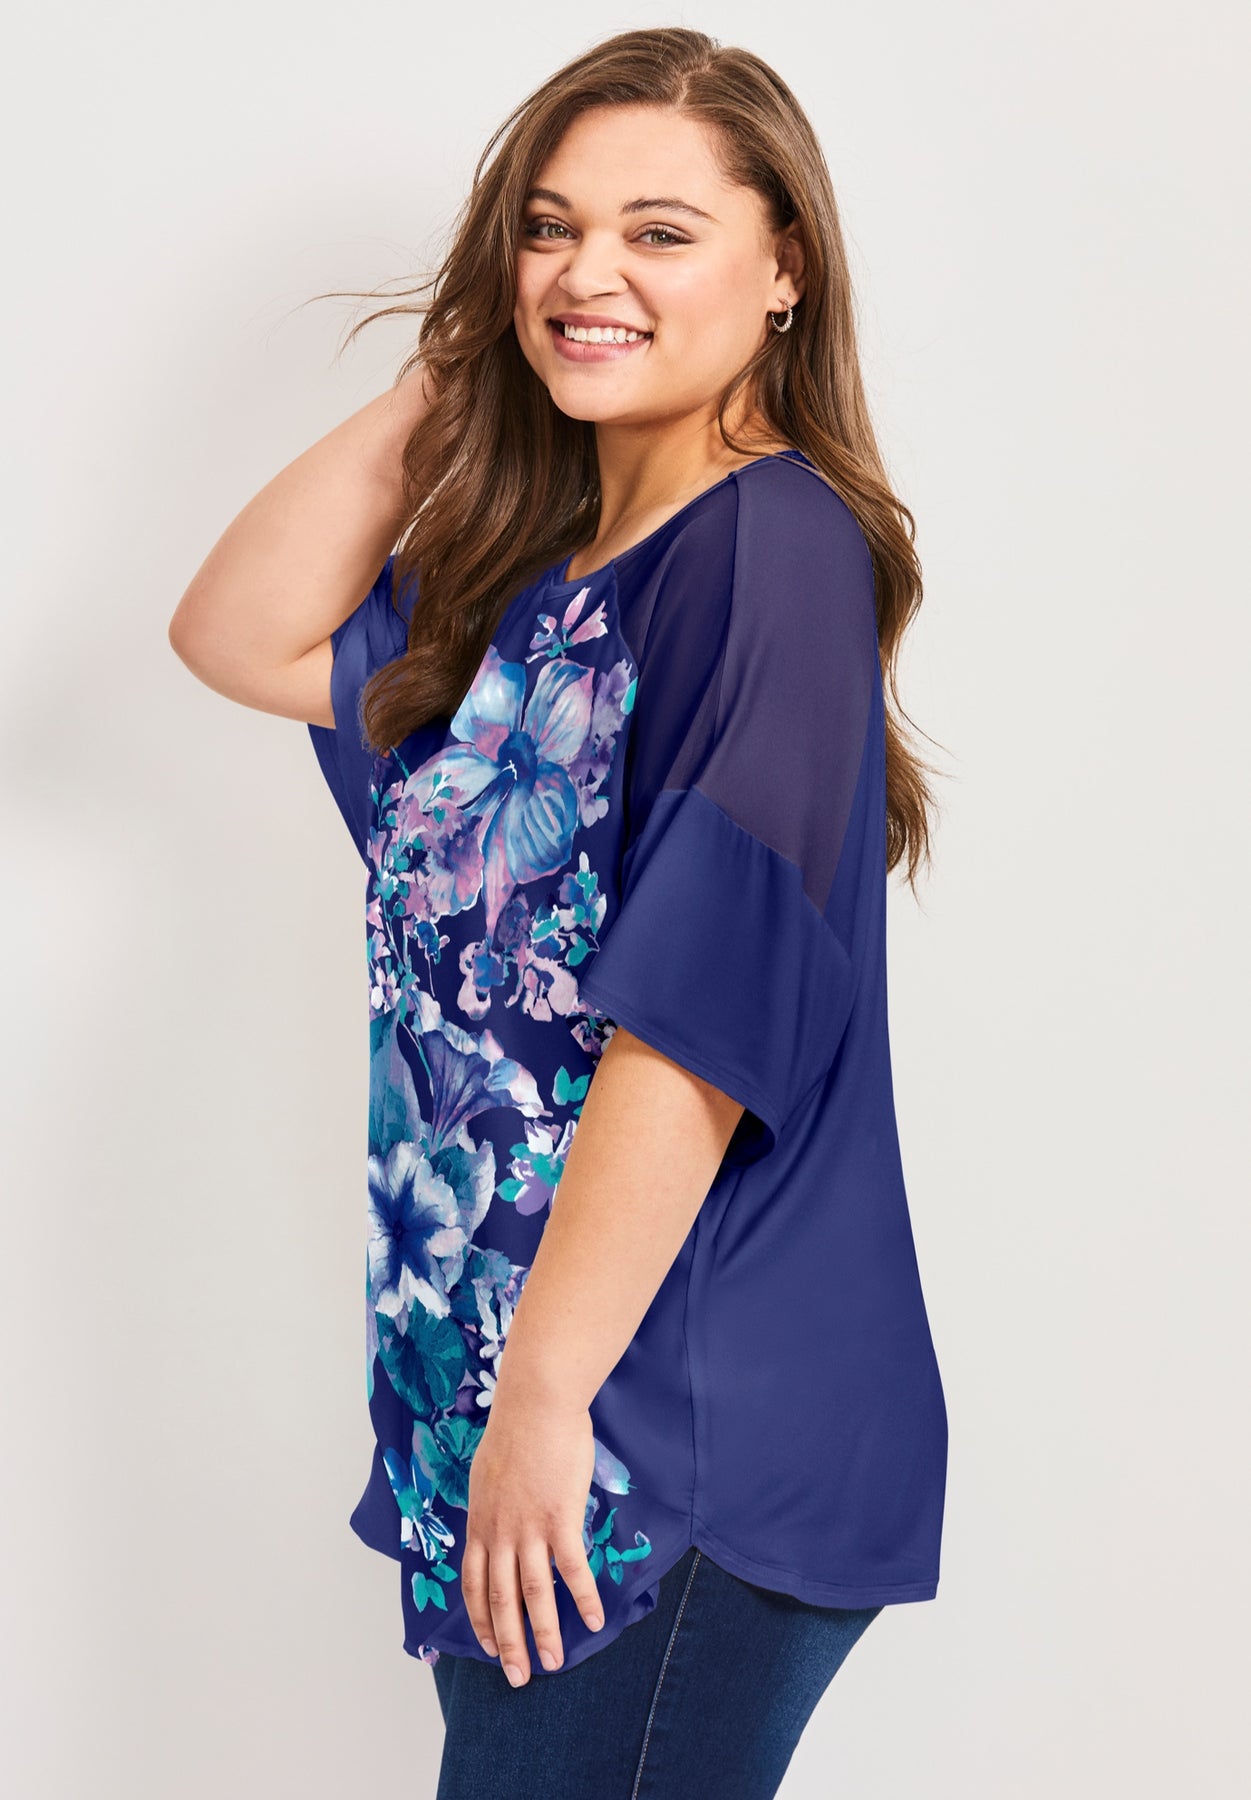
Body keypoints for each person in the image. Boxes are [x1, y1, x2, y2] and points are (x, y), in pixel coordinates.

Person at [169, 25, 949, 1799]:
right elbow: (239, 632)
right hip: (535, 1410)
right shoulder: (538, 595)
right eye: (549, 227)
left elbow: (694, 1032)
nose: (590, 270)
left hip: (657, 1423)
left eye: (660, 232)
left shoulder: (771, 550)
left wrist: (542, 1406)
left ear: (784, 269)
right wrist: (462, 367)